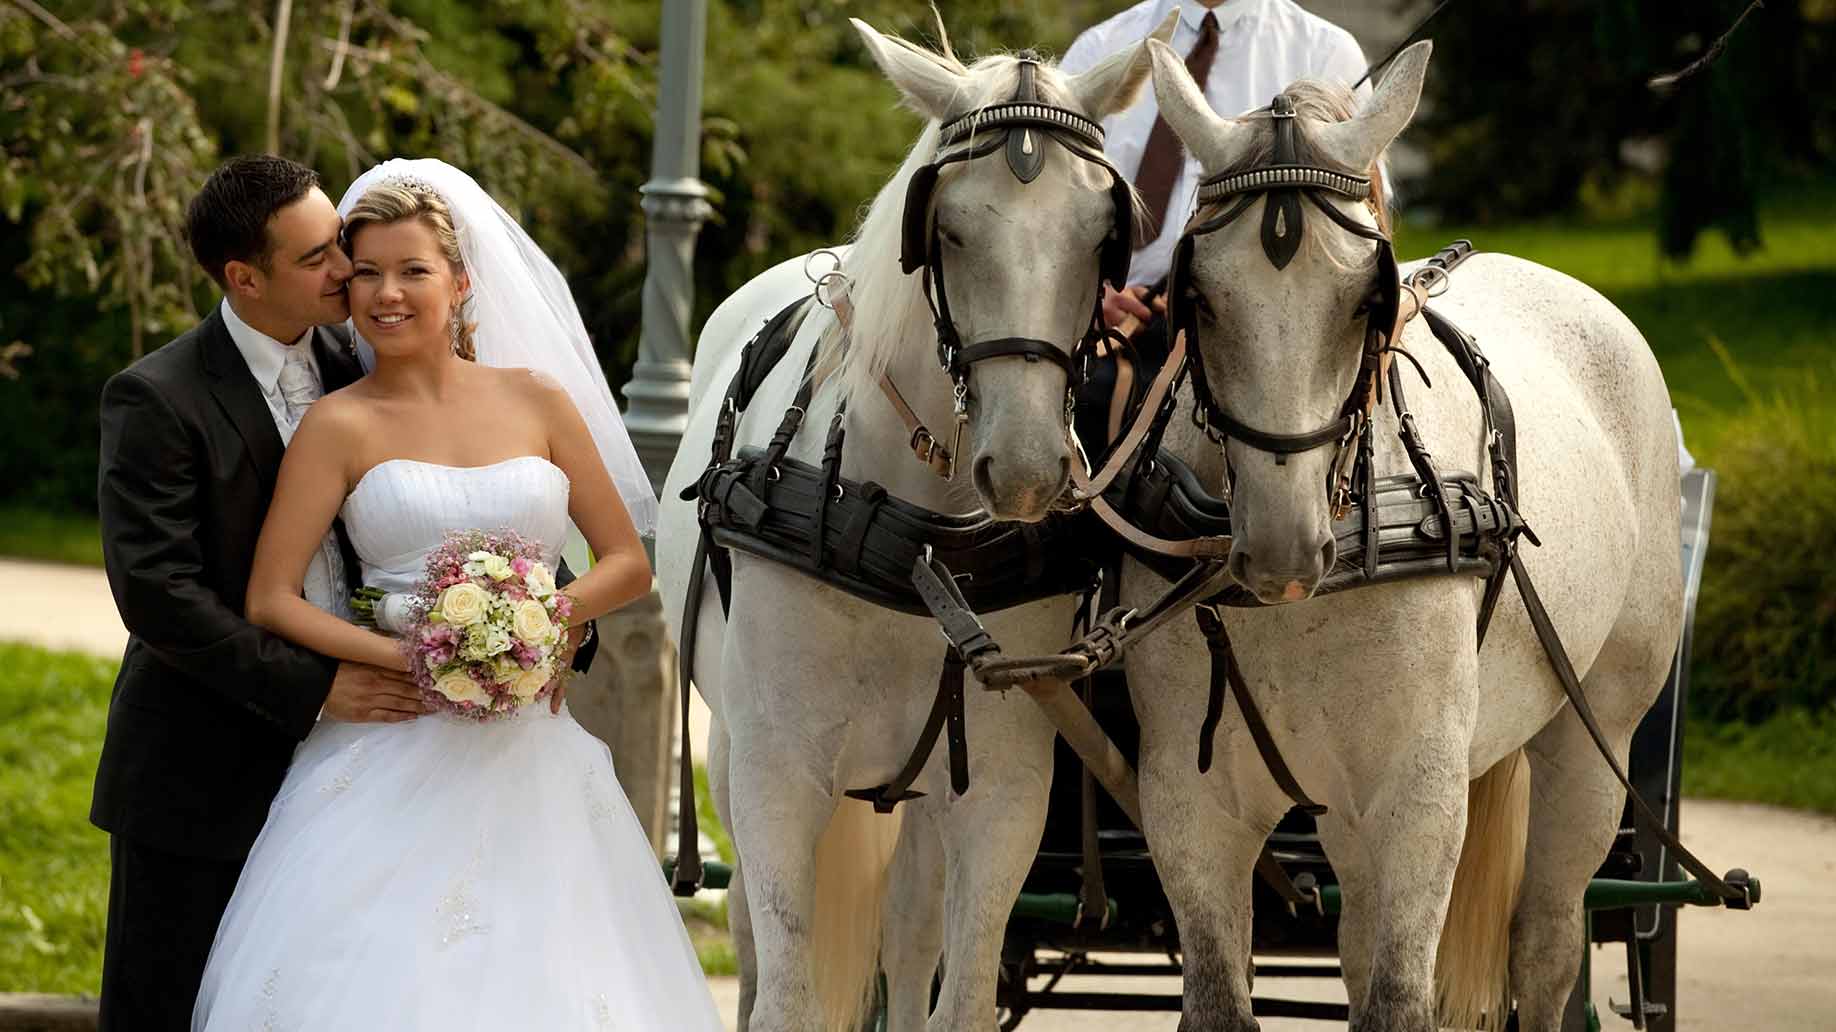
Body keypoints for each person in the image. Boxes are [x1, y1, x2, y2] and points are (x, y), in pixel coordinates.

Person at [189, 158, 716, 1029]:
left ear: (462, 281)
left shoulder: (538, 399)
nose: (385, 293)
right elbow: (273, 599)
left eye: (413, 271)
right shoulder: (338, 423)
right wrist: (411, 656)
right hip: (391, 741)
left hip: (532, 751)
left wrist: (540, 626)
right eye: (365, 273)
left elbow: (626, 560)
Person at [92, 155, 434, 1031]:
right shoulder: (154, 397)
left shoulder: (360, 358)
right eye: (321, 256)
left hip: (362, 772)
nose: (348, 271)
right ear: (244, 278)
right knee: (166, 1006)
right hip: (199, 765)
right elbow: (160, 594)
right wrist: (316, 689)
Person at [1061, 0, 1370, 332]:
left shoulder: (1327, 55)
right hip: (1110, 339)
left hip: (1262, 338)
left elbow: (1360, 227)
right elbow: (1051, 215)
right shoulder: (1097, 49)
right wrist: (1087, 295)